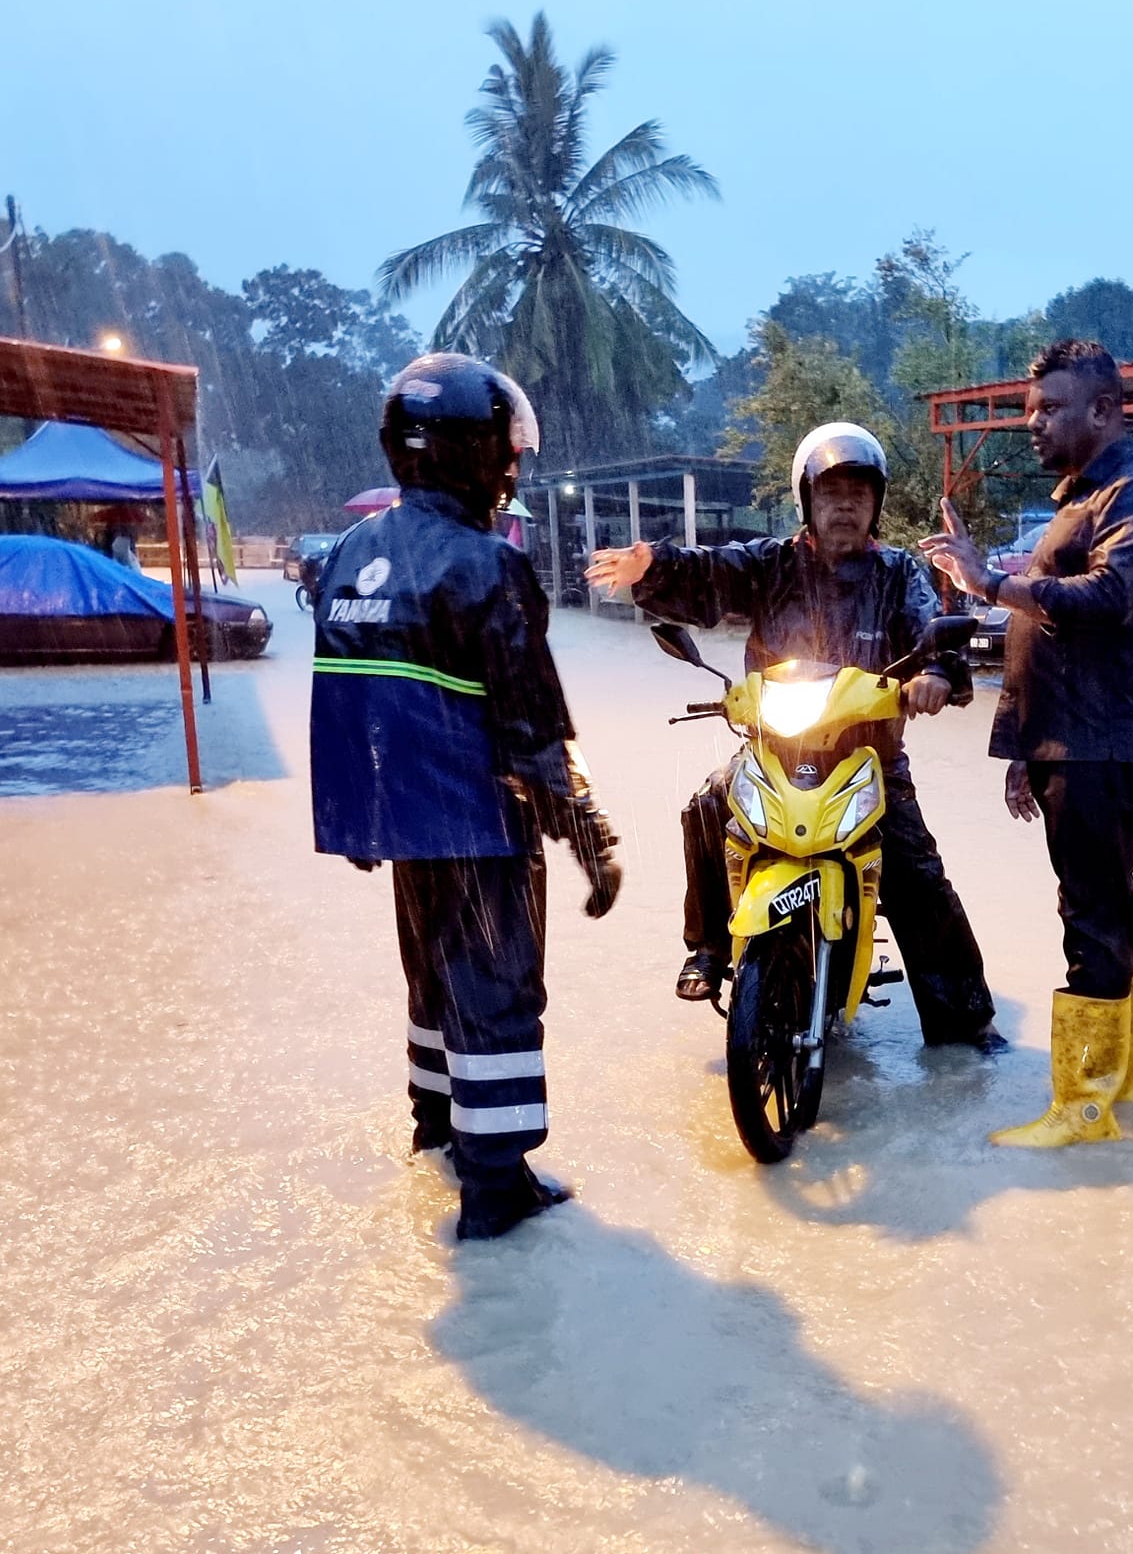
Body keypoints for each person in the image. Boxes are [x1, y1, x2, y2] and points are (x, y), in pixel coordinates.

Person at [310, 353, 623, 1240]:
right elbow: (533, 726)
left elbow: (347, 698)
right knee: (496, 990)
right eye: (502, 451)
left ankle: (434, 1133)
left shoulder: (350, 553)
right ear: (468, 451)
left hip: (404, 826)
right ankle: (495, 1189)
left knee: (433, 983)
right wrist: (588, 833)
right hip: (482, 824)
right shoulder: (488, 565)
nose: (512, 469)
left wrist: (362, 819)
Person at [587, 422, 1003, 1052]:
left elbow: (930, 633)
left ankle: (966, 1020)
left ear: (876, 504)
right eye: (832, 493)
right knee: (707, 806)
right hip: (776, 750)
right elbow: (710, 575)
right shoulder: (772, 564)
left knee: (917, 872)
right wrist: (653, 566)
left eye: (859, 495)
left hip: (870, 757)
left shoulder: (898, 574)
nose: (846, 506)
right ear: (807, 499)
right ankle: (708, 946)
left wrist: (936, 674)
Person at [920, 339, 1133, 1145]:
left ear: (1103, 410)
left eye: (1048, 410)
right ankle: (1124, 1080)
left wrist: (989, 583)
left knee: (1092, 914)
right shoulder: (1082, 497)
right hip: (1073, 740)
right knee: (1111, 904)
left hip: (1107, 741)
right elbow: (1049, 635)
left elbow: (1107, 598)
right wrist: (1025, 750)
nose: (1030, 425)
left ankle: (1084, 1108)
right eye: (1029, 409)